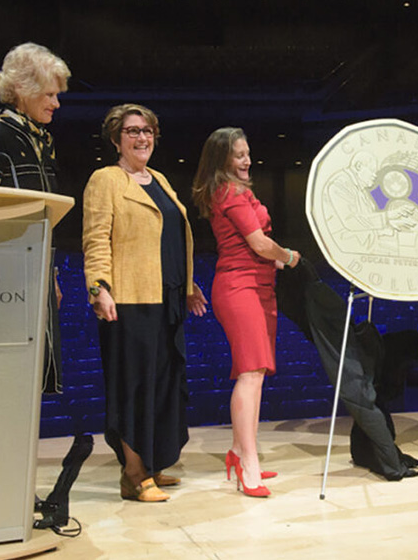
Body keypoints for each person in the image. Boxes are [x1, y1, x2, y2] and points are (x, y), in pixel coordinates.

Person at [83, 104, 208, 502]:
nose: (142, 138)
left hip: (167, 299)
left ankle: (151, 465)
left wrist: (188, 284)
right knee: (134, 388)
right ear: (116, 138)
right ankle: (134, 476)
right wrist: (98, 287)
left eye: (148, 131)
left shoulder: (160, 180)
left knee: (164, 386)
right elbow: (96, 238)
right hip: (131, 300)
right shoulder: (106, 180)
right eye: (133, 131)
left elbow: (171, 237)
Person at [191, 127, 300, 497]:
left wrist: (276, 262)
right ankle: (248, 463)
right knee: (250, 373)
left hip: (259, 286)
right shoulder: (231, 193)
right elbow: (257, 242)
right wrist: (287, 256)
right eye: (239, 155)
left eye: (247, 153)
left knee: (256, 373)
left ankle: (240, 451)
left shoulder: (237, 190)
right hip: (240, 287)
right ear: (222, 159)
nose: (247, 160)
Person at [0, 41, 71, 394]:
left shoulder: (44, 140)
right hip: (7, 277)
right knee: (7, 373)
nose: (57, 103)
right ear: (23, 90)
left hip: (38, 270)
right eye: (50, 94)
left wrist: (51, 276)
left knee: (36, 370)